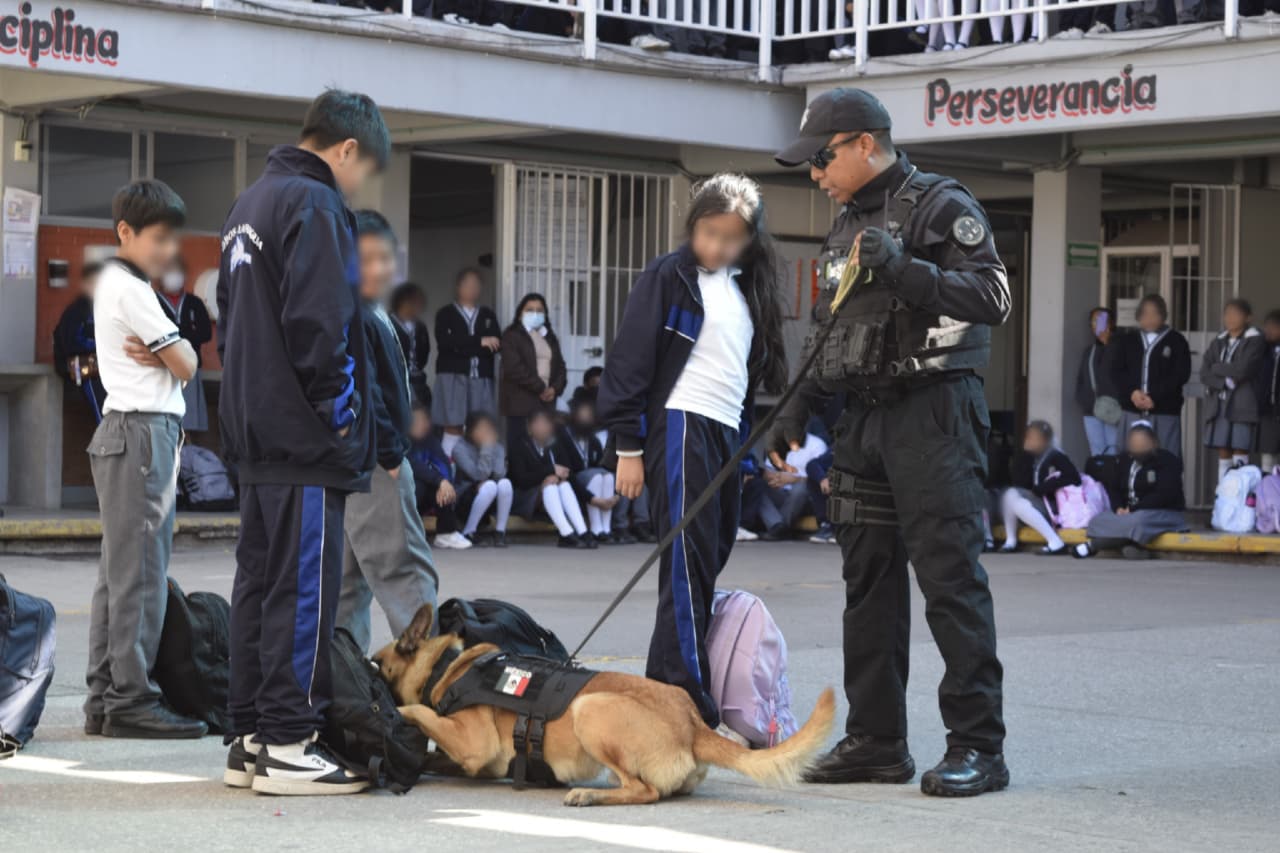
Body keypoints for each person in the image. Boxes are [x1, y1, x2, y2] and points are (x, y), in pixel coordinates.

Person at [772, 88, 1011, 796]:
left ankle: (978, 745)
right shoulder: (845, 223)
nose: (814, 175)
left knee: (949, 582)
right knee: (867, 582)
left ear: (862, 144)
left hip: (933, 413)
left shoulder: (940, 205)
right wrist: (796, 407)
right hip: (865, 419)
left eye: (821, 159)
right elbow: (827, 327)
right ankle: (877, 740)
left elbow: (993, 296)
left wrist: (907, 266)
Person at [217, 89, 388, 796]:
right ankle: (290, 742)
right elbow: (323, 321)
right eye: (364, 169)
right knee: (304, 589)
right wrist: (341, 412)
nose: (360, 184)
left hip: (255, 431)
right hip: (303, 437)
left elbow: (231, 323)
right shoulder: (315, 204)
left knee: (258, 585)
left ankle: (251, 735)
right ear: (346, 150)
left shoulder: (246, 206)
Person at [598, 173, 788, 730]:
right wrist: (627, 446)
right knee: (683, 564)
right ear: (692, 226)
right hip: (679, 423)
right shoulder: (669, 276)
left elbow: (744, 378)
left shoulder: (746, 286)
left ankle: (665, 695)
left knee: (707, 560)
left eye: (731, 238)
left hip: (725, 431)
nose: (717, 247)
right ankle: (687, 696)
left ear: (750, 240)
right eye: (708, 233)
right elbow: (629, 361)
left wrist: (750, 453)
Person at [85, 179, 201, 739]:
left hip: (123, 434)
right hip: (142, 436)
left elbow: (178, 355)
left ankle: (104, 699)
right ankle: (131, 699)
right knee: (142, 576)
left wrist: (173, 352)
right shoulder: (132, 289)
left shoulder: (114, 281)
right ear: (125, 232)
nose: (166, 250)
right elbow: (187, 363)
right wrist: (175, 353)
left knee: (118, 575)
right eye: (157, 238)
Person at [336, 210, 440, 655]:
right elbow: (364, 391)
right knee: (405, 573)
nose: (379, 267)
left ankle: (343, 681)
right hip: (376, 461)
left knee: (344, 583)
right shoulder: (353, 311)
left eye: (386, 256)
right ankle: (432, 677)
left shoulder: (368, 309)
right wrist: (394, 455)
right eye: (368, 257)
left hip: (355, 460)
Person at [1073, 421, 1188, 560]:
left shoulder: (1167, 461)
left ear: (1154, 442)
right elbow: (1114, 488)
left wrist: (1134, 509)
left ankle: (1092, 545)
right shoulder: (1124, 460)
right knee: (1098, 520)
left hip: (1160, 512)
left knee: (1138, 521)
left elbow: (1164, 495)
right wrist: (1118, 508)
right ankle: (1131, 545)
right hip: (1128, 513)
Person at [1111, 294, 1191, 457]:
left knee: (1165, 458)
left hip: (1164, 411)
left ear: (1163, 315)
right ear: (1138, 316)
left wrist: (1154, 396)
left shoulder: (1176, 340)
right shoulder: (1127, 340)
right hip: (1132, 409)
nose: (1149, 318)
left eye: (1155, 313)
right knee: (1130, 456)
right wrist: (1132, 393)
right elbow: (1116, 371)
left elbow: (1181, 374)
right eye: (1145, 313)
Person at [433, 268, 501, 455]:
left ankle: (477, 476)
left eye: (476, 285)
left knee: (480, 425)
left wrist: (464, 345)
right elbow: (446, 343)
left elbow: (495, 344)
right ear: (458, 286)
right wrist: (479, 341)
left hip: (481, 378)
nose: (472, 289)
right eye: (468, 284)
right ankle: (446, 472)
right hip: (453, 377)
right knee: (453, 424)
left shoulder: (487, 315)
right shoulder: (445, 314)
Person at [509, 408, 594, 549]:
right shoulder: (519, 445)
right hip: (524, 497)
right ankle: (566, 533)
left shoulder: (555, 444)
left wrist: (558, 477)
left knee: (563, 485)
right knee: (550, 486)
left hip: (549, 494)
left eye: (547, 424)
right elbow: (521, 480)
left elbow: (568, 472)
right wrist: (549, 472)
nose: (545, 428)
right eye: (540, 424)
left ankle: (582, 531)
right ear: (529, 427)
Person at [1201, 298, 1264, 483]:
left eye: (1236, 314)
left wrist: (1218, 368)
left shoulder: (1254, 339)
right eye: (1227, 314)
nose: (1230, 318)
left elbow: (1244, 369)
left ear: (1248, 317)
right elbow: (1205, 372)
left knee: (1240, 447)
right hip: (1219, 401)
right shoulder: (1219, 341)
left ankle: (1240, 496)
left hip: (1242, 403)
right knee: (1223, 449)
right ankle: (1223, 497)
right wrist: (1223, 382)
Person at [996, 420, 1080, 556]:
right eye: (1028, 437)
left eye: (1034, 438)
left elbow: (1073, 477)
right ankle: (1010, 541)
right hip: (1037, 507)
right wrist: (1025, 454)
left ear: (1045, 440)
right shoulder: (1033, 457)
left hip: (1054, 511)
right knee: (1010, 494)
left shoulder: (1056, 456)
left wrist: (1044, 487)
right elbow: (1020, 482)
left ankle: (1055, 542)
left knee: (1018, 503)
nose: (1029, 440)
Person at [154, 257, 213, 432]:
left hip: (189, 367)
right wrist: (185, 333)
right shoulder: (152, 301)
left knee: (189, 420)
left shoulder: (194, 303)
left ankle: (188, 450)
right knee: (163, 421)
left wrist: (178, 334)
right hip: (161, 368)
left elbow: (205, 333)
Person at [500, 292, 568, 440]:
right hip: (520, 402)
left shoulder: (549, 336)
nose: (535, 314)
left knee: (543, 448)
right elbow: (514, 369)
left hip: (546, 403)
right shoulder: (511, 336)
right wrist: (541, 388)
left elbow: (560, 367)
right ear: (520, 314)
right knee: (522, 449)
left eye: (539, 310)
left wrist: (554, 389)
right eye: (530, 310)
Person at [743, 424, 827, 540]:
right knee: (758, 483)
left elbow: (821, 478)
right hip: (780, 493)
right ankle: (777, 525)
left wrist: (795, 478)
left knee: (801, 488)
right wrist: (774, 477)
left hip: (805, 498)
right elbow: (769, 472)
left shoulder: (817, 445)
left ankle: (779, 526)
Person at [555, 396, 618, 544]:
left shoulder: (592, 437)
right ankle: (596, 528)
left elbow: (602, 463)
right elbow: (566, 469)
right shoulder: (563, 436)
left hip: (594, 477)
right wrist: (593, 498)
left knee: (607, 476)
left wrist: (616, 494)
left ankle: (606, 529)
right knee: (596, 477)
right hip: (575, 478)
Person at [407, 403, 469, 550]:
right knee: (420, 483)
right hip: (401, 497)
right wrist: (439, 480)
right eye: (416, 420)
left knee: (444, 485)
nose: (421, 424)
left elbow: (444, 465)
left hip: (426, 497)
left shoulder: (431, 442)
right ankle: (408, 533)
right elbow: (413, 466)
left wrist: (443, 482)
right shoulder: (402, 441)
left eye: (424, 420)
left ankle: (446, 533)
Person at [52, 261, 107, 423]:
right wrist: (102, 345)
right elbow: (73, 343)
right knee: (104, 417)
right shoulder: (77, 310)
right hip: (85, 372)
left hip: (107, 371)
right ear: (85, 284)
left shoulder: (105, 308)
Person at [451, 410, 514, 547]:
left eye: (488, 429)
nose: (485, 432)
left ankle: (500, 532)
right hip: (465, 498)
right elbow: (478, 475)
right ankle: (469, 531)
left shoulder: (496, 446)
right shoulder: (459, 448)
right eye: (481, 428)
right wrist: (486, 448)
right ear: (470, 430)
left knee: (505, 483)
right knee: (490, 486)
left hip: (489, 496)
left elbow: (500, 473)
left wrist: (491, 447)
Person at [1077, 307, 1122, 456]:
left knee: (1113, 450)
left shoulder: (1118, 347)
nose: (1097, 324)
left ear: (1111, 324)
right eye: (1094, 321)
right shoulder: (1090, 351)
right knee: (1097, 453)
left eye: (1101, 320)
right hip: (1091, 410)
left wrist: (1109, 340)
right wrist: (1084, 399)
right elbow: (1082, 378)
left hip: (1113, 408)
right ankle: (1099, 480)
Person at [389, 281, 432, 409]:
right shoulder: (389, 324)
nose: (417, 306)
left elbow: (425, 353)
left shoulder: (420, 326)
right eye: (413, 302)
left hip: (418, 379)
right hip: (397, 380)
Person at [1257, 310, 1280, 471]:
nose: (1268, 331)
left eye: (1273, 327)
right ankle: (1268, 492)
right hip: (1268, 409)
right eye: (1267, 327)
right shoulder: (1264, 350)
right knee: (1267, 453)